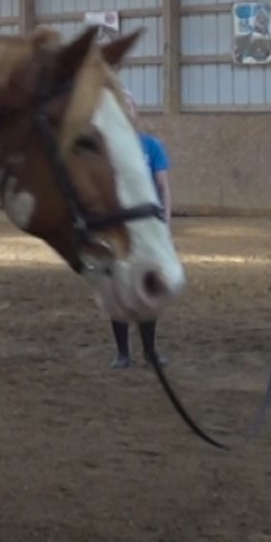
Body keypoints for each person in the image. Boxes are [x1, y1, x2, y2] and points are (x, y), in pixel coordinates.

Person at [109, 90, 172, 369]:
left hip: (147, 230)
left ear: (137, 113)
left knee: (149, 287)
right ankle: (123, 352)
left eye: (129, 106)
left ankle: (149, 350)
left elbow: (163, 188)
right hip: (119, 228)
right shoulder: (106, 149)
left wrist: (166, 225)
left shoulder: (151, 147)